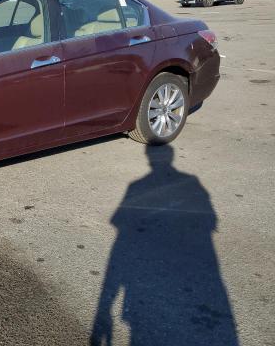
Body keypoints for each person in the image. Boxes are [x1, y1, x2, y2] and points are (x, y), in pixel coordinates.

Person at [90, 145, 238, 346]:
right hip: (201, 270)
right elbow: (211, 222)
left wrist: (104, 308)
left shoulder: (138, 186)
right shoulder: (192, 183)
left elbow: (121, 227)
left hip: (145, 294)